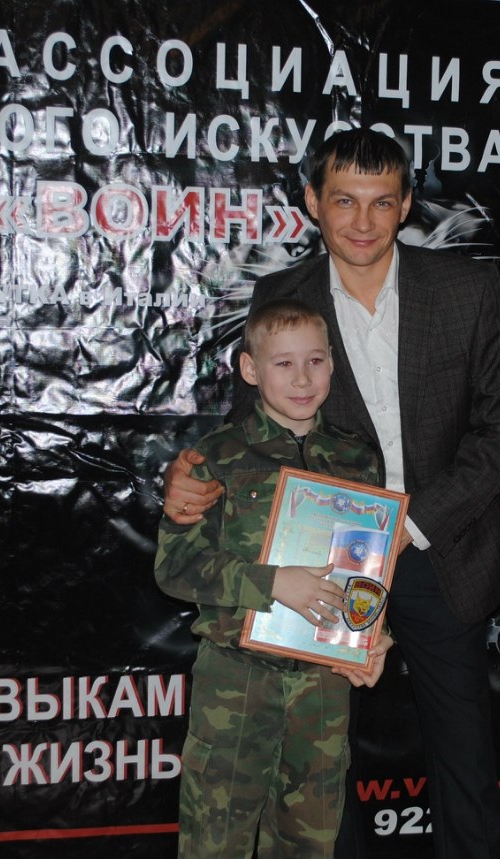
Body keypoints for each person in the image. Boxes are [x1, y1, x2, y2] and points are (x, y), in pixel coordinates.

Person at [163, 127, 500, 859]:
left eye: (381, 202)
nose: (362, 222)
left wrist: (411, 524)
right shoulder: (282, 296)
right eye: (343, 201)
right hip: (323, 559)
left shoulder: (465, 290)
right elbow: (253, 429)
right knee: (323, 767)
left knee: (465, 759)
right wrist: (190, 474)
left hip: (441, 549)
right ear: (313, 201)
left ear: (405, 205)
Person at [155, 298, 393, 859]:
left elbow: (370, 572)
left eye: (315, 360)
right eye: (283, 363)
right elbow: (176, 568)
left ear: (332, 363)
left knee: (309, 841)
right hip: (236, 678)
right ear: (250, 369)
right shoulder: (215, 457)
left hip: (323, 686)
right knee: (216, 840)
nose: (302, 378)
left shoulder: (357, 460)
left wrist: (373, 637)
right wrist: (273, 583)